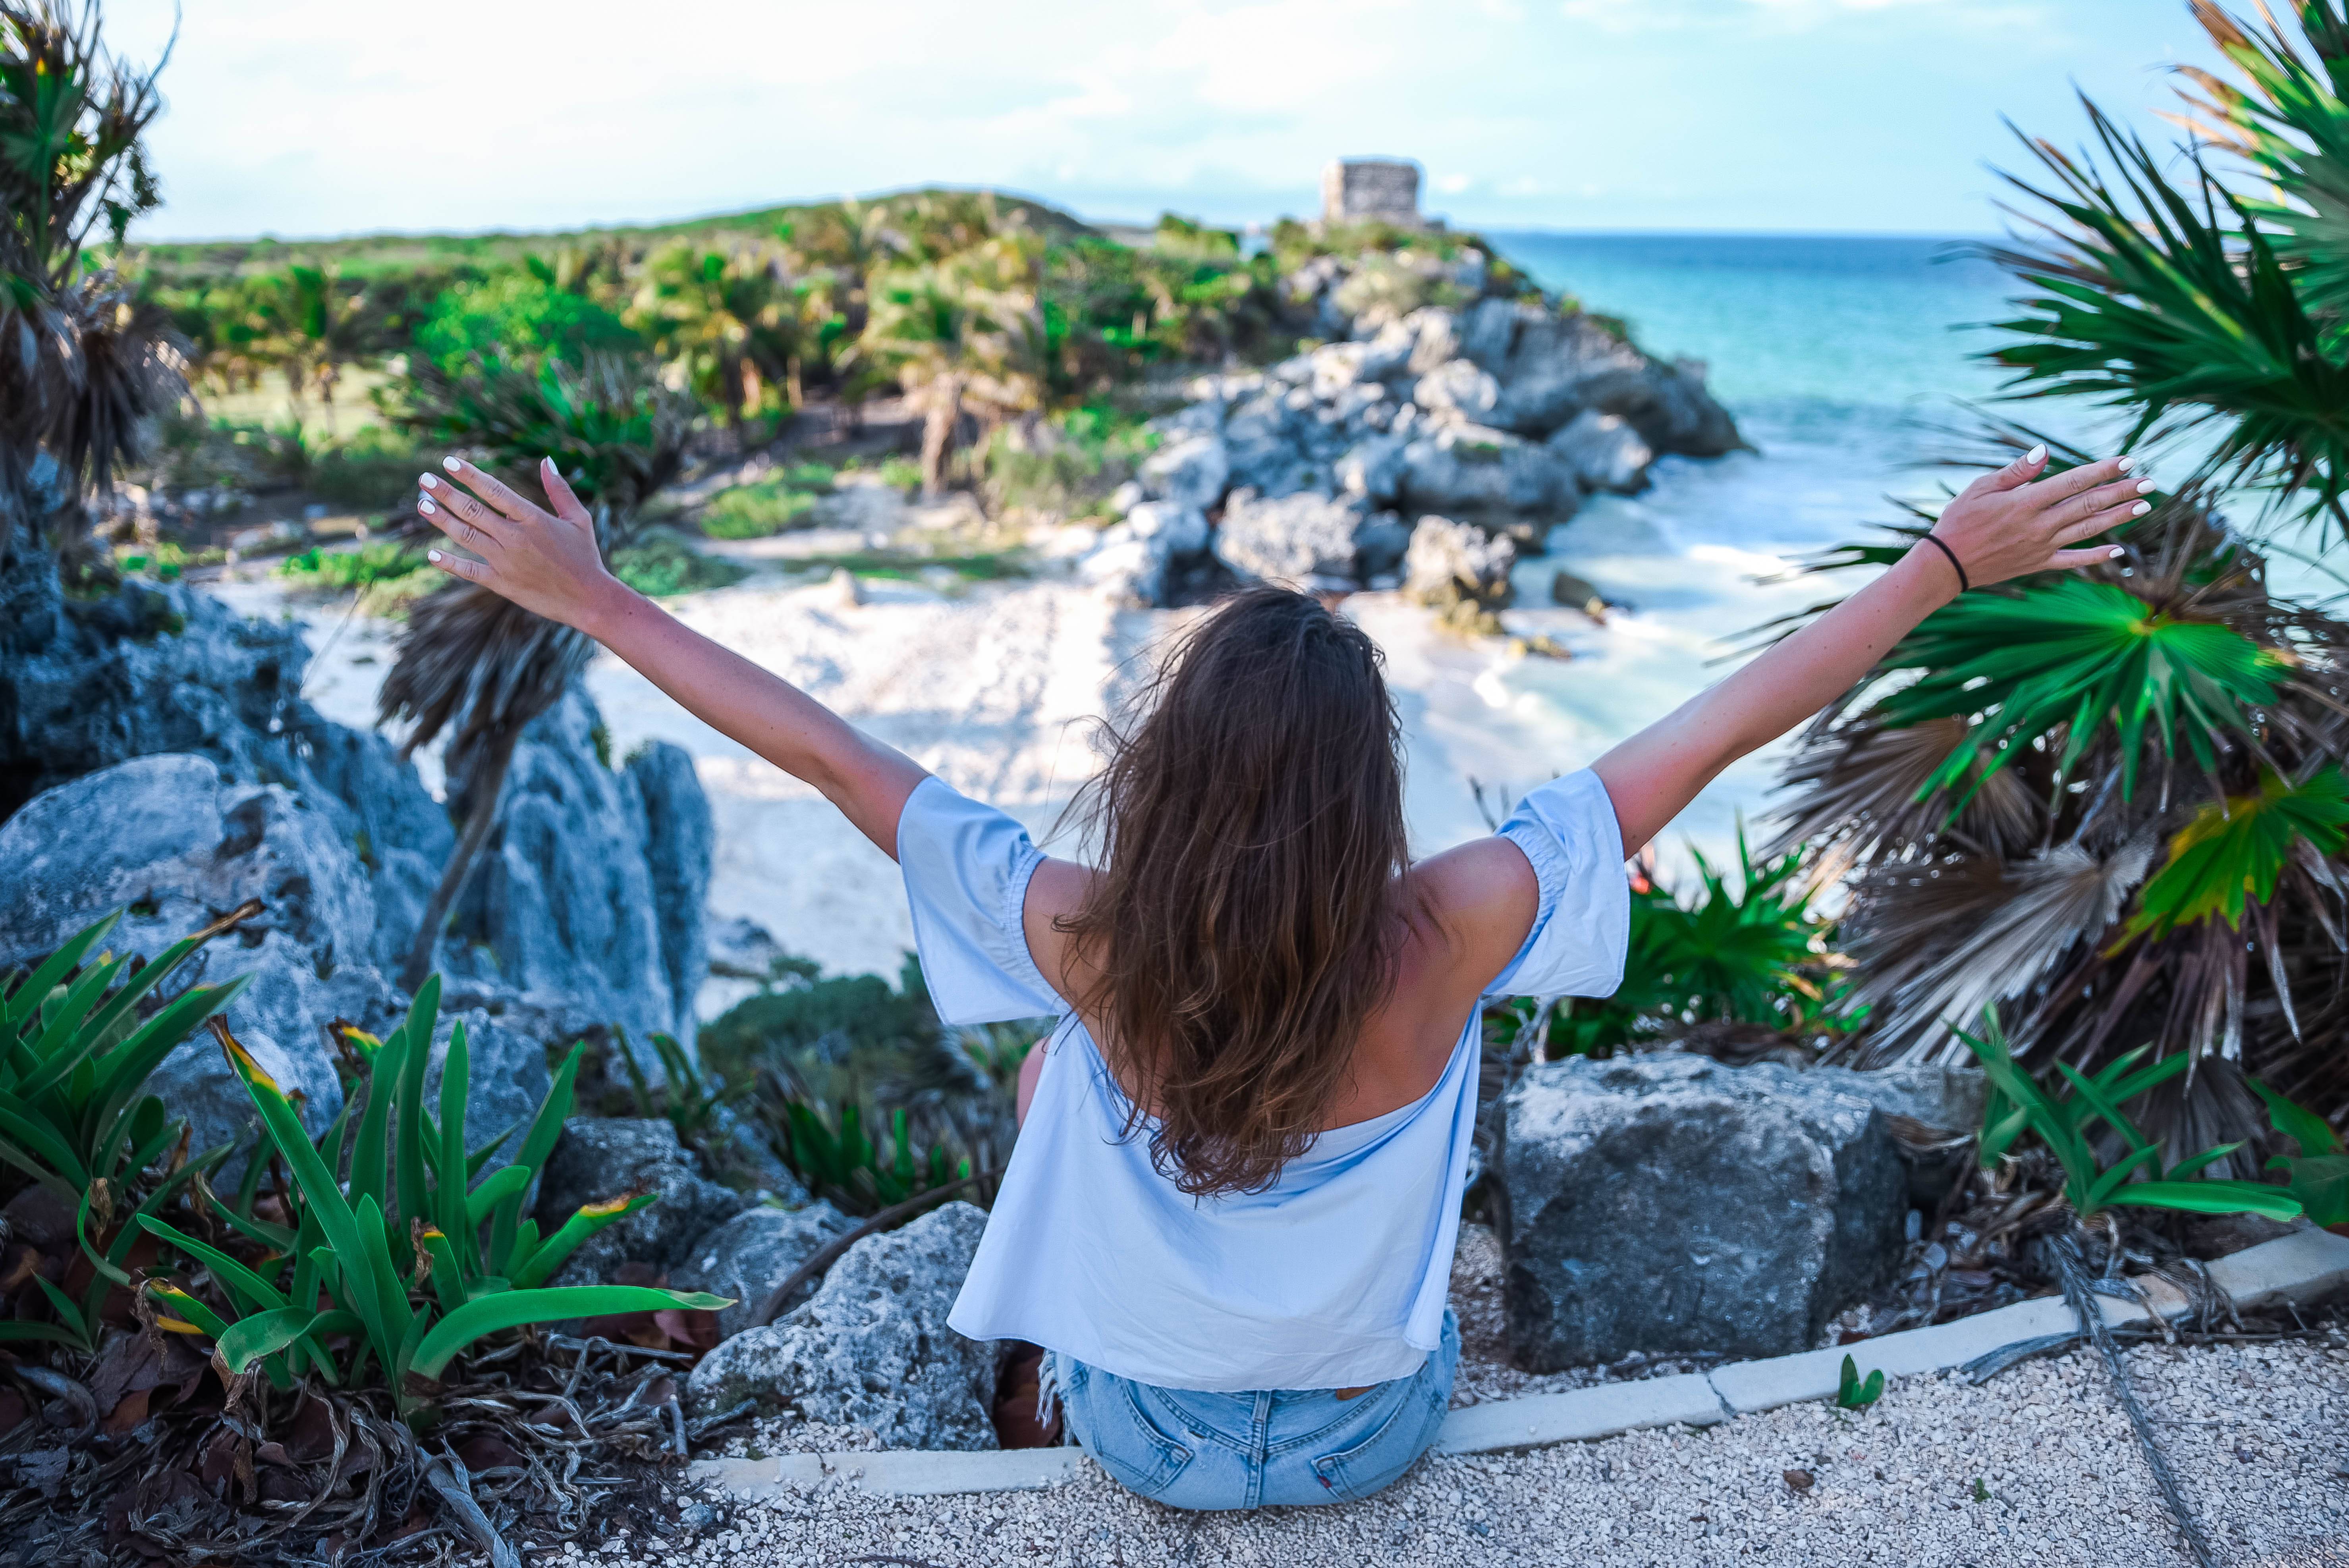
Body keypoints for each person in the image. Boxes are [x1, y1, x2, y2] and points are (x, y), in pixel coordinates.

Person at [412, 443, 2150, 1509]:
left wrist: (603, 604)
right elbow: (1708, 730)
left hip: (1145, 1447)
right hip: (1362, 1442)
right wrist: (1940, 566)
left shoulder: (1084, 933)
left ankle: (1039, 1377)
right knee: (1326, 1089)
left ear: (1167, 772)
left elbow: (831, 755)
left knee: (1060, 1074)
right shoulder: (1457, 921)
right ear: (1366, 783)